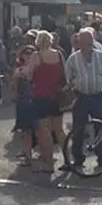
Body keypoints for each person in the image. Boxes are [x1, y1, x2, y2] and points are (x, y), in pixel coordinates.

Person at [64, 28, 102, 169]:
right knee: (78, 129)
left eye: (91, 41)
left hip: (98, 96)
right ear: (79, 42)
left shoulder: (101, 56)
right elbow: (68, 78)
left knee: (100, 128)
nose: (89, 44)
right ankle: (78, 158)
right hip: (81, 96)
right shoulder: (73, 59)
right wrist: (73, 91)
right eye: (85, 41)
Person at [27, 30, 67, 173]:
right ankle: (68, 160)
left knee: (45, 131)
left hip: (41, 96)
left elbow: (29, 75)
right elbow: (64, 74)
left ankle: (49, 164)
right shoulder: (58, 54)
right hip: (56, 95)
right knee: (59, 130)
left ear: (38, 41)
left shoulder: (36, 56)